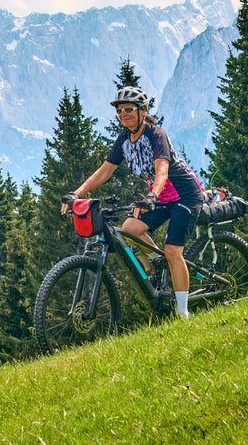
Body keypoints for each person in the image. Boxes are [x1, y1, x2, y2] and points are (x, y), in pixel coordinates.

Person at [63, 86, 203, 318]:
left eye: (129, 109)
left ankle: (183, 314)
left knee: (173, 250)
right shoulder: (124, 140)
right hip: (160, 199)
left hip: (185, 195)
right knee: (130, 229)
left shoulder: (156, 135)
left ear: (142, 111)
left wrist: (151, 196)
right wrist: (77, 193)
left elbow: (162, 171)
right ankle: (157, 265)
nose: (124, 114)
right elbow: (105, 171)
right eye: (120, 111)